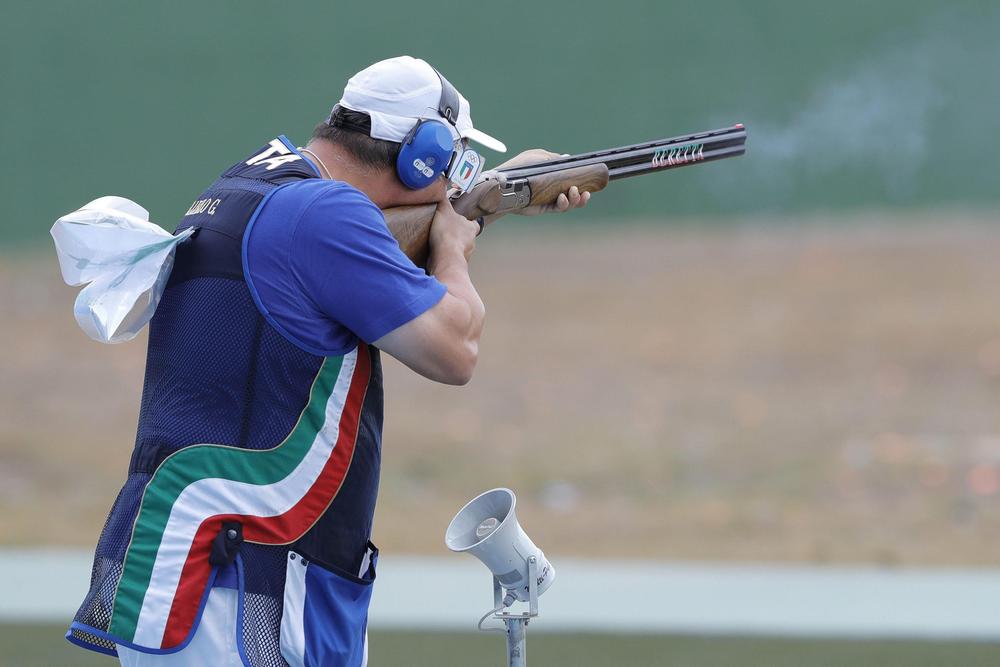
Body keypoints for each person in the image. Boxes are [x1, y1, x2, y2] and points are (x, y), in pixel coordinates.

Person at [65, 55, 589, 666]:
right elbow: (456, 350)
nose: (454, 184)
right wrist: (453, 249)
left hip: (208, 566)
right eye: (455, 163)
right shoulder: (324, 215)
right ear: (422, 153)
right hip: (241, 582)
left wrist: (491, 203)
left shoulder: (250, 187)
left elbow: (345, 278)